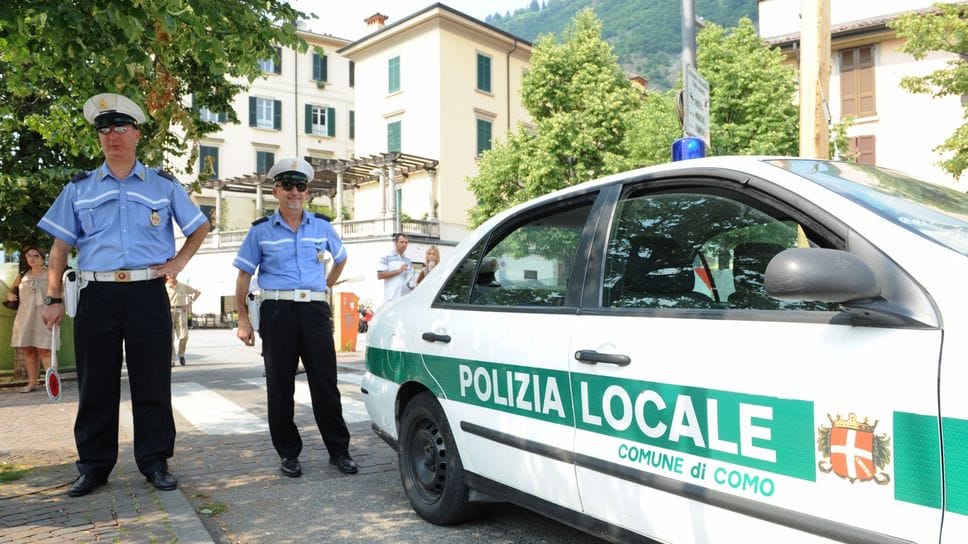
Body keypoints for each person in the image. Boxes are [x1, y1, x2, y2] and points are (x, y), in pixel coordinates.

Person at [38, 93, 210, 498]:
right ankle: (94, 467)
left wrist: (179, 262)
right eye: (104, 129)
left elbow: (199, 226)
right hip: (96, 294)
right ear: (99, 137)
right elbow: (60, 248)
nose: (112, 134)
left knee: (153, 382)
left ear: (136, 134)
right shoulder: (79, 188)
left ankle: (155, 462)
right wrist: (53, 298)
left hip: (147, 292)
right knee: (95, 385)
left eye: (120, 127)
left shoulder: (163, 185)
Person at [233, 157, 358, 478]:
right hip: (278, 311)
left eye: (300, 186)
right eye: (287, 186)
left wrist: (326, 285)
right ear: (276, 191)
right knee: (280, 385)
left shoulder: (322, 226)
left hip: (314, 311)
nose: (294, 192)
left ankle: (339, 451)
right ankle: (288, 453)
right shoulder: (260, 231)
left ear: (308, 193)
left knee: (325, 383)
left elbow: (341, 258)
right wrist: (243, 320)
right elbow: (244, 276)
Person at [6, 247, 56, 393]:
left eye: (36, 256)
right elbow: (11, 290)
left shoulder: (52, 274)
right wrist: (10, 295)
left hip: (45, 316)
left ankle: (53, 384)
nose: (32, 259)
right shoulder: (23, 275)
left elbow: (60, 294)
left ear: (43, 258)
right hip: (25, 317)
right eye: (29, 256)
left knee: (45, 350)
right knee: (28, 350)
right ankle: (32, 383)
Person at [166, 274, 200, 367]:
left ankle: (181, 354)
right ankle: (172, 359)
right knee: (169, 337)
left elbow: (197, 292)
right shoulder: (164, 287)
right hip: (169, 312)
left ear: (176, 274)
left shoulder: (183, 286)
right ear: (167, 276)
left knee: (184, 336)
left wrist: (189, 304)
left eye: (174, 273)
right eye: (170, 274)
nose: (172, 275)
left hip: (181, 311)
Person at [376, 233, 412, 303]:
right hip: (391, 298)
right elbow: (380, 275)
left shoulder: (408, 260)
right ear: (395, 243)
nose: (404, 244)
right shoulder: (386, 257)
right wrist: (399, 271)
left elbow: (410, 279)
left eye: (406, 243)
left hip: (405, 299)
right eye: (402, 242)